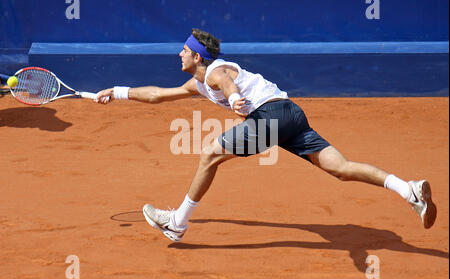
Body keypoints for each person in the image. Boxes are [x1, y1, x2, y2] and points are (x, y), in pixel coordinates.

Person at [95, 28, 437, 242]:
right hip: (291, 114)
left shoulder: (215, 71)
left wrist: (232, 98)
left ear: (196, 56)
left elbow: (225, 81)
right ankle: (408, 190)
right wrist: (116, 90)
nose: (178, 54)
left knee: (210, 153)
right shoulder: (198, 82)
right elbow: (157, 94)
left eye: (183, 51)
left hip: (270, 116)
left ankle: (177, 223)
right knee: (341, 168)